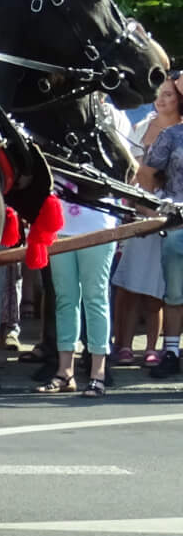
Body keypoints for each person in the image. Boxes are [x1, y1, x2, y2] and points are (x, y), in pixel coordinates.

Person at [113, 77, 178, 367]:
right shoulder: (150, 130)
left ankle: (159, 346)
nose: (161, 100)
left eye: (168, 95)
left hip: (169, 215)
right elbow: (139, 173)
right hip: (148, 211)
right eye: (158, 95)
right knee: (131, 281)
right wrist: (142, 205)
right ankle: (124, 345)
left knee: (160, 285)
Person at [35, 183, 120, 397]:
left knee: (96, 298)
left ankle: (97, 373)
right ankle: (65, 372)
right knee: (65, 299)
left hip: (98, 226)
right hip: (60, 227)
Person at [136, 107, 183, 377]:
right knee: (174, 294)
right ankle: (172, 352)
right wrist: (156, 210)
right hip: (178, 223)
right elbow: (146, 173)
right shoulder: (171, 135)